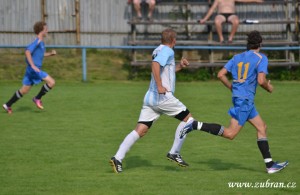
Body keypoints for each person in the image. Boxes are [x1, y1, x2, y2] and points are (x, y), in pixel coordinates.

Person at [179, 30, 288, 174]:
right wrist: (269, 87)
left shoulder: (237, 57)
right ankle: (195, 124)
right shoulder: (261, 58)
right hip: (245, 101)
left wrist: (232, 87)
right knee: (230, 134)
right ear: (260, 44)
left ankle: (270, 165)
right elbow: (261, 81)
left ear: (248, 44)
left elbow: (220, 74)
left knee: (262, 127)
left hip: (241, 99)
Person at [110, 28, 201, 173]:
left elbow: (164, 70)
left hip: (150, 98)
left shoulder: (157, 49)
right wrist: (160, 85)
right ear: (174, 41)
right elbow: (155, 65)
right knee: (189, 121)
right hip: (163, 97)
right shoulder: (168, 51)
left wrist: (180, 67)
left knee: (140, 130)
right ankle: (174, 152)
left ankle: (117, 158)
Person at [2, 21, 56, 114]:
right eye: (46, 29)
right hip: (34, 69)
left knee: (24, 90)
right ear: (41, 30)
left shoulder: (41, 43)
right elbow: (27, 52)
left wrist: (50, 54)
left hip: (30, 70)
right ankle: (37, 98)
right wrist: (33, 65)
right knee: (51, 82)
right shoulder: (37, 41)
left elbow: (40, 54)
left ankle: (8, 105)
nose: (47, 31)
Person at [199, 0, 263, 43]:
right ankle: (221, 39)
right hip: (221, 15)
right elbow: (212, 9)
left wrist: (255, 0)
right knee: (217, 21)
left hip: (231, 15)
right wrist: (205, 19)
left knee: (236, 21)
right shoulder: (218, 0)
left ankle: (230, 38)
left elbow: (244, 0)